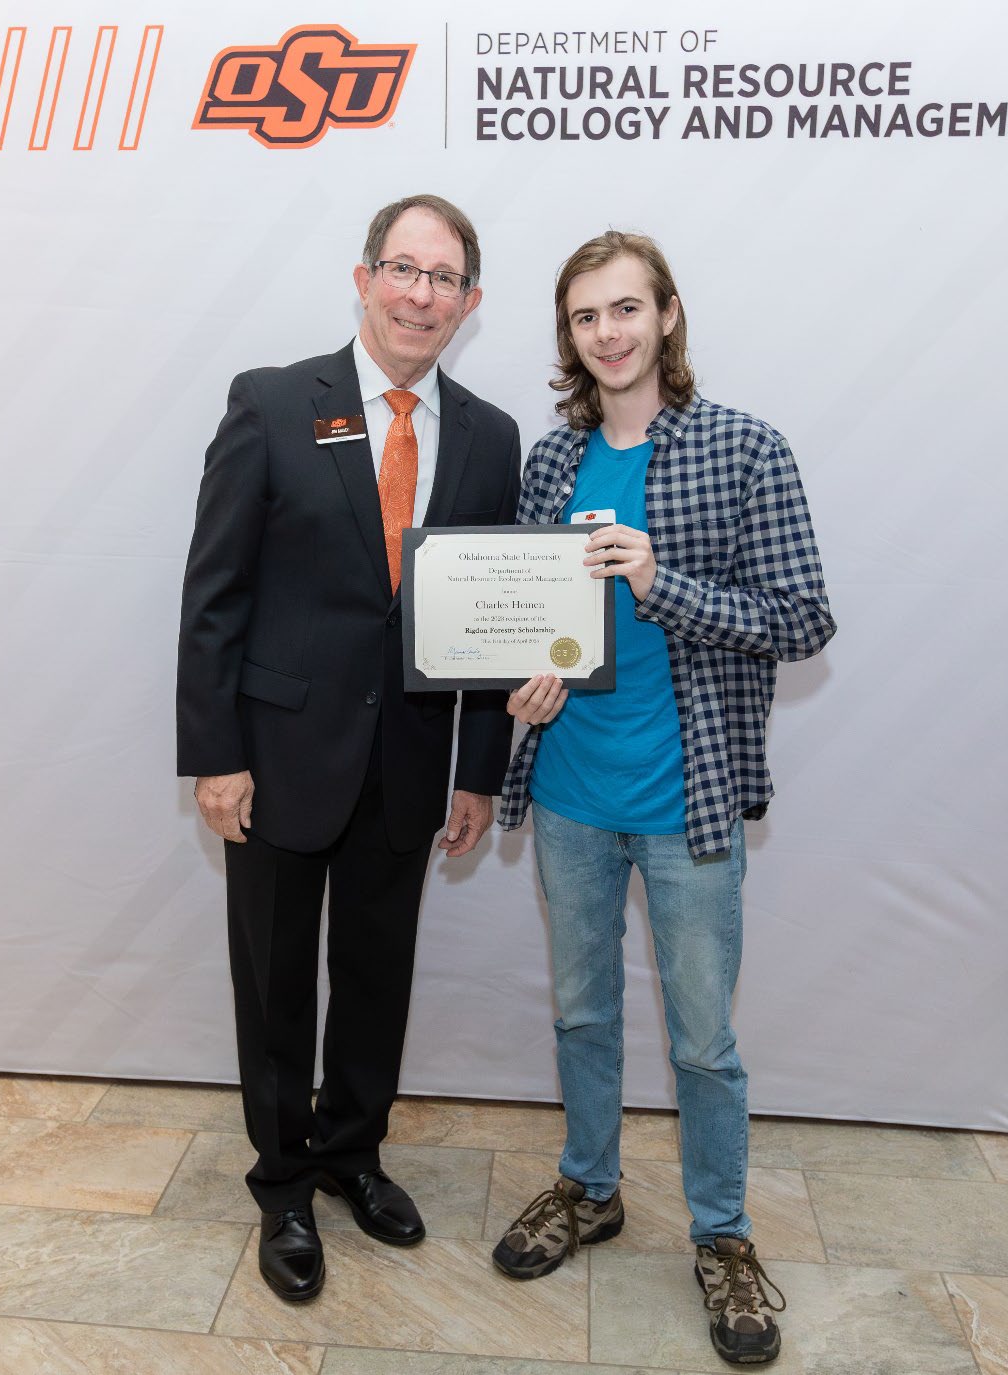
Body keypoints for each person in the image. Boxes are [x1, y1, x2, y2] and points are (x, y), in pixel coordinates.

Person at [492, 230, 835, 1366]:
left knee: (702, 1044)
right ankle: (589, 1188)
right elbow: (528, 618)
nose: (609, 333)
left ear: (668, 315)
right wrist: (524, 681)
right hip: (572, 796)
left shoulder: (743, 449)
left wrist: (656, 577)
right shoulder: (549, 462)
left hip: (686, 801)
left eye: (627, 309)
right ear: (569, 335)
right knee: (581, 1015)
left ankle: (723, 1235)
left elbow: (800, 619)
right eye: (587, 317)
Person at [177, 195, 520, 1303]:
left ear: (469, 303)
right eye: (403, 269)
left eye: (444, 278)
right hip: (275, 758)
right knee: (274, 981)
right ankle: (282, 1181)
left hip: (411, 761)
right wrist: (213, 753)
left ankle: (350, 1154)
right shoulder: (275, 402)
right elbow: (214, 596)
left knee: (377, 977)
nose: (421, 294)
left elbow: (486, 622)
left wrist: (474, 769)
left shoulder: (487, 435)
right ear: (363, 276)